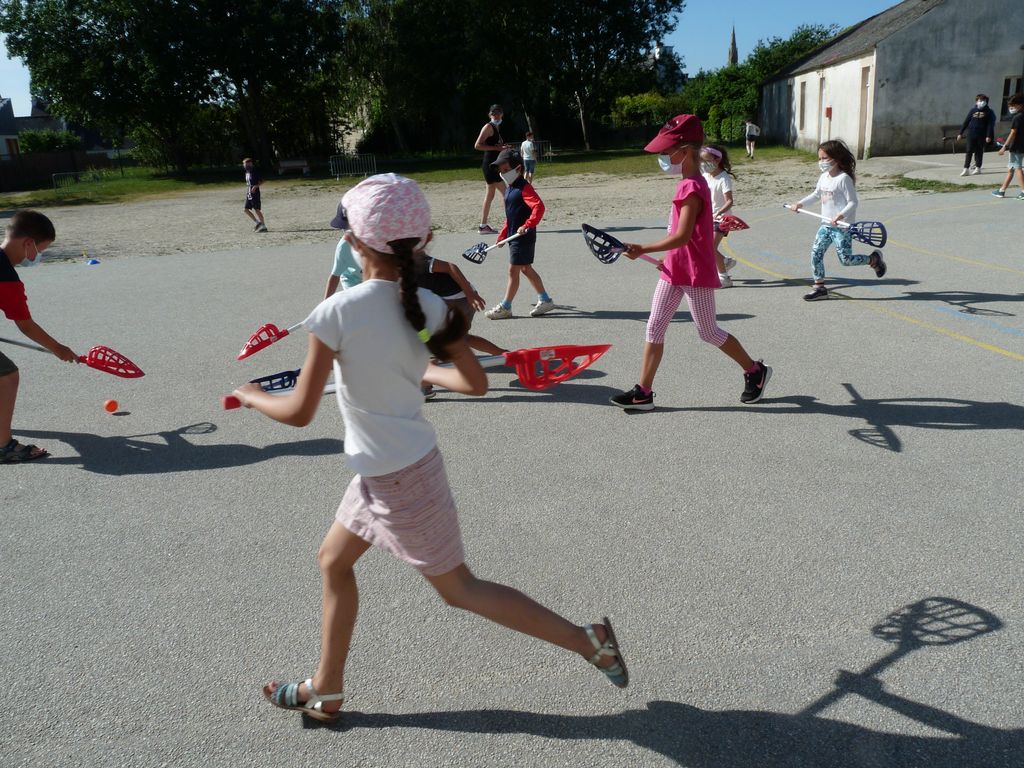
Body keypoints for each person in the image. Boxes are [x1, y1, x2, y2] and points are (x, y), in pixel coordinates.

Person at [231, 174, 628, 722]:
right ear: (424, 241)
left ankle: (588, 641)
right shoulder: (429, 306)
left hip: (396, 479)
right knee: (333, 560)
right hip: (389, 471)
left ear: (353, 242)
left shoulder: (335, 313)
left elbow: (298, 412)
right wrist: (423, 370)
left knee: (460, 589)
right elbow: (474, 382)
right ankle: (327, 689)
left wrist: (251, 396)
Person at [609, 115, 771, 411]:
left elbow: (682, 236)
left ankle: (755, 370)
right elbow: (683, 236)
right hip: (675, 268)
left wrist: (642, 247)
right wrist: (667, 257)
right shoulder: (688, 183)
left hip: (694, 272)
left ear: (684, 150)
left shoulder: (693, 187)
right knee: (654, 326)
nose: (662, 156)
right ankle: (643, 392)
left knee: (708, 332)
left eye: (666, 151)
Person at [0, 211, 78, 463]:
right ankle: (4, 446)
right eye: (40, 250)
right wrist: (59, 348)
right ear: (28, 243)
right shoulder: (6, 278)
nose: (38, 257)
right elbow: (25, 325)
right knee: (7, 376)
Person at [788, 139, 886, 302]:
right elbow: (816, 195)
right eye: (819, 158)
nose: (821, 162)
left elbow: (853, 202)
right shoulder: (823, 177)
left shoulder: (843, 179)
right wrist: (800, 203)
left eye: (825, 158)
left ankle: (873, 259)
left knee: (846, 260)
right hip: (826, 226)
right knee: (816, 254)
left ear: (836, 158)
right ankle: (819, 288)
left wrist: (840, 215)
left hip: (842, 228)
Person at [483, 149, 554, 319]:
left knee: (513, 270)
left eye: (506, 169)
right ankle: (545, 300)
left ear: (518, 169)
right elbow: (511, 216)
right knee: (525, 269)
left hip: (523, 237)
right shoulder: (510, 189)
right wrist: (502, 236)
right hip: (514, 236)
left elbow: (539, 207)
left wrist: (527, 225)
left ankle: (506, 306)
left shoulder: (524, 187)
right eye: (501, 170)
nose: (502, 173)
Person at [700, 145, 738, 288]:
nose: (703, 164)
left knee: (710, 246)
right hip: (707, 218)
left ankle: (724, 278)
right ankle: (725, 262)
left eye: (706, 161)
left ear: (717, 160)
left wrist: (719, 213)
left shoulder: (724, 178)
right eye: (701, 161)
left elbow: (729, 201)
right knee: (706, 246)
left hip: (723, 219)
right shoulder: (705, 176)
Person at [473, 104, 507, 235]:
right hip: (490, 166)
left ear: (502, 114)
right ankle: (511, 223)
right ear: (489, 115)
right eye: (493, 113)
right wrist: (496, 148)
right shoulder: (488, 127)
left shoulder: (496, 127)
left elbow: (495, 145)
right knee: (507, 194)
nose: (496, 115)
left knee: (490, 196)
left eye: (498, 113)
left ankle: (483, 226)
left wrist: (503, 148)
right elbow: (477, 145)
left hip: (493, 165)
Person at [323, 201, 363, 300]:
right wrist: (326, 303)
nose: (349, 234)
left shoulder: (374, 239)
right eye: (345, 229)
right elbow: (335, 276)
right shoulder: (343, 247)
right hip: (352, 281)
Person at [991, 93, 1024, 199]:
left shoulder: (1017, 118)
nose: (1011, 108)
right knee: (1011, 169)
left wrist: (1004, 146)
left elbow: (1013, 133)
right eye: (1010, 106)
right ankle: (1002, 190)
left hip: (1016, 146)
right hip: (1021, 146)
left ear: (1020, 105)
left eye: (1013, 105)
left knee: (1017, 168)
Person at [957, 94, 996, 176]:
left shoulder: (989, 112)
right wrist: (960, 133)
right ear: (976, 101)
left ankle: (978, 168)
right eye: (979, 100)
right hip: (971, 133)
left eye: (983, 101)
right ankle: (966, 169)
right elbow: (966, 122)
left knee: (979, 151)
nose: (981, 102)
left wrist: (988, 135)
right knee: (969, 150)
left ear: (986, 102)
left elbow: (990, 124)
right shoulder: (972, 110)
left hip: (981, 134)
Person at [242, 158, 268, 232]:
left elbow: (263, 181)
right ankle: (258, 223)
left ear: (251, 164)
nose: (245, 166)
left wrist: (256, 186)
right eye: (244, 164)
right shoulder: (247, 172)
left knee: (257, 209)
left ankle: (264, 226)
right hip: (249, 192)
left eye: (247, 164)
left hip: (255, 193)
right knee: (246, 210)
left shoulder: (255, 172)